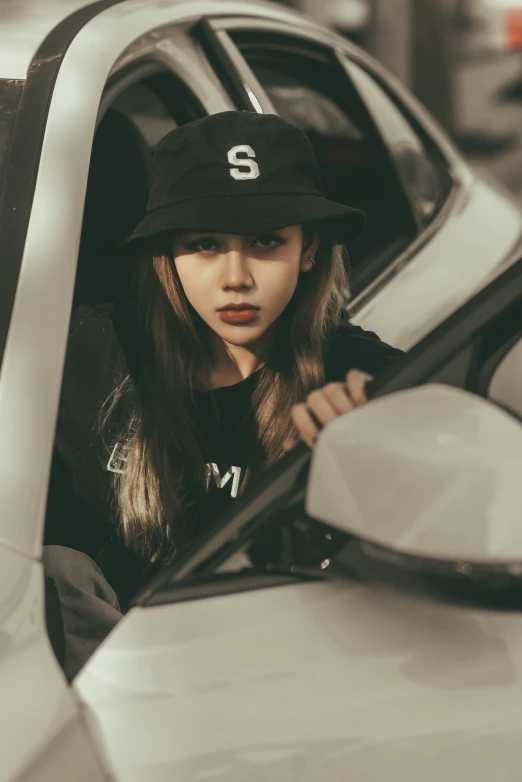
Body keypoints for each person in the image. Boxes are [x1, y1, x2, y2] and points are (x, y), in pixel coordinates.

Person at [43, 110, 403, 680]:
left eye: (266, 241)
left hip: (273, 683)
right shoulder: (83, 353)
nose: (237, 276)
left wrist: (378, 460)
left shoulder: (361, 379)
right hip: (108, 702)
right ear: (169, 256)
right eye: (206, 244)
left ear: (308, 251)